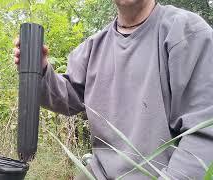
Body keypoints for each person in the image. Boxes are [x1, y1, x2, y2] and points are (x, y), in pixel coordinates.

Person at [13, 0, 213, 179]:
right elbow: (67, 96)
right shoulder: (93, 48)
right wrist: (39, 71)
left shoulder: (186, 32)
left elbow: (203, 129)